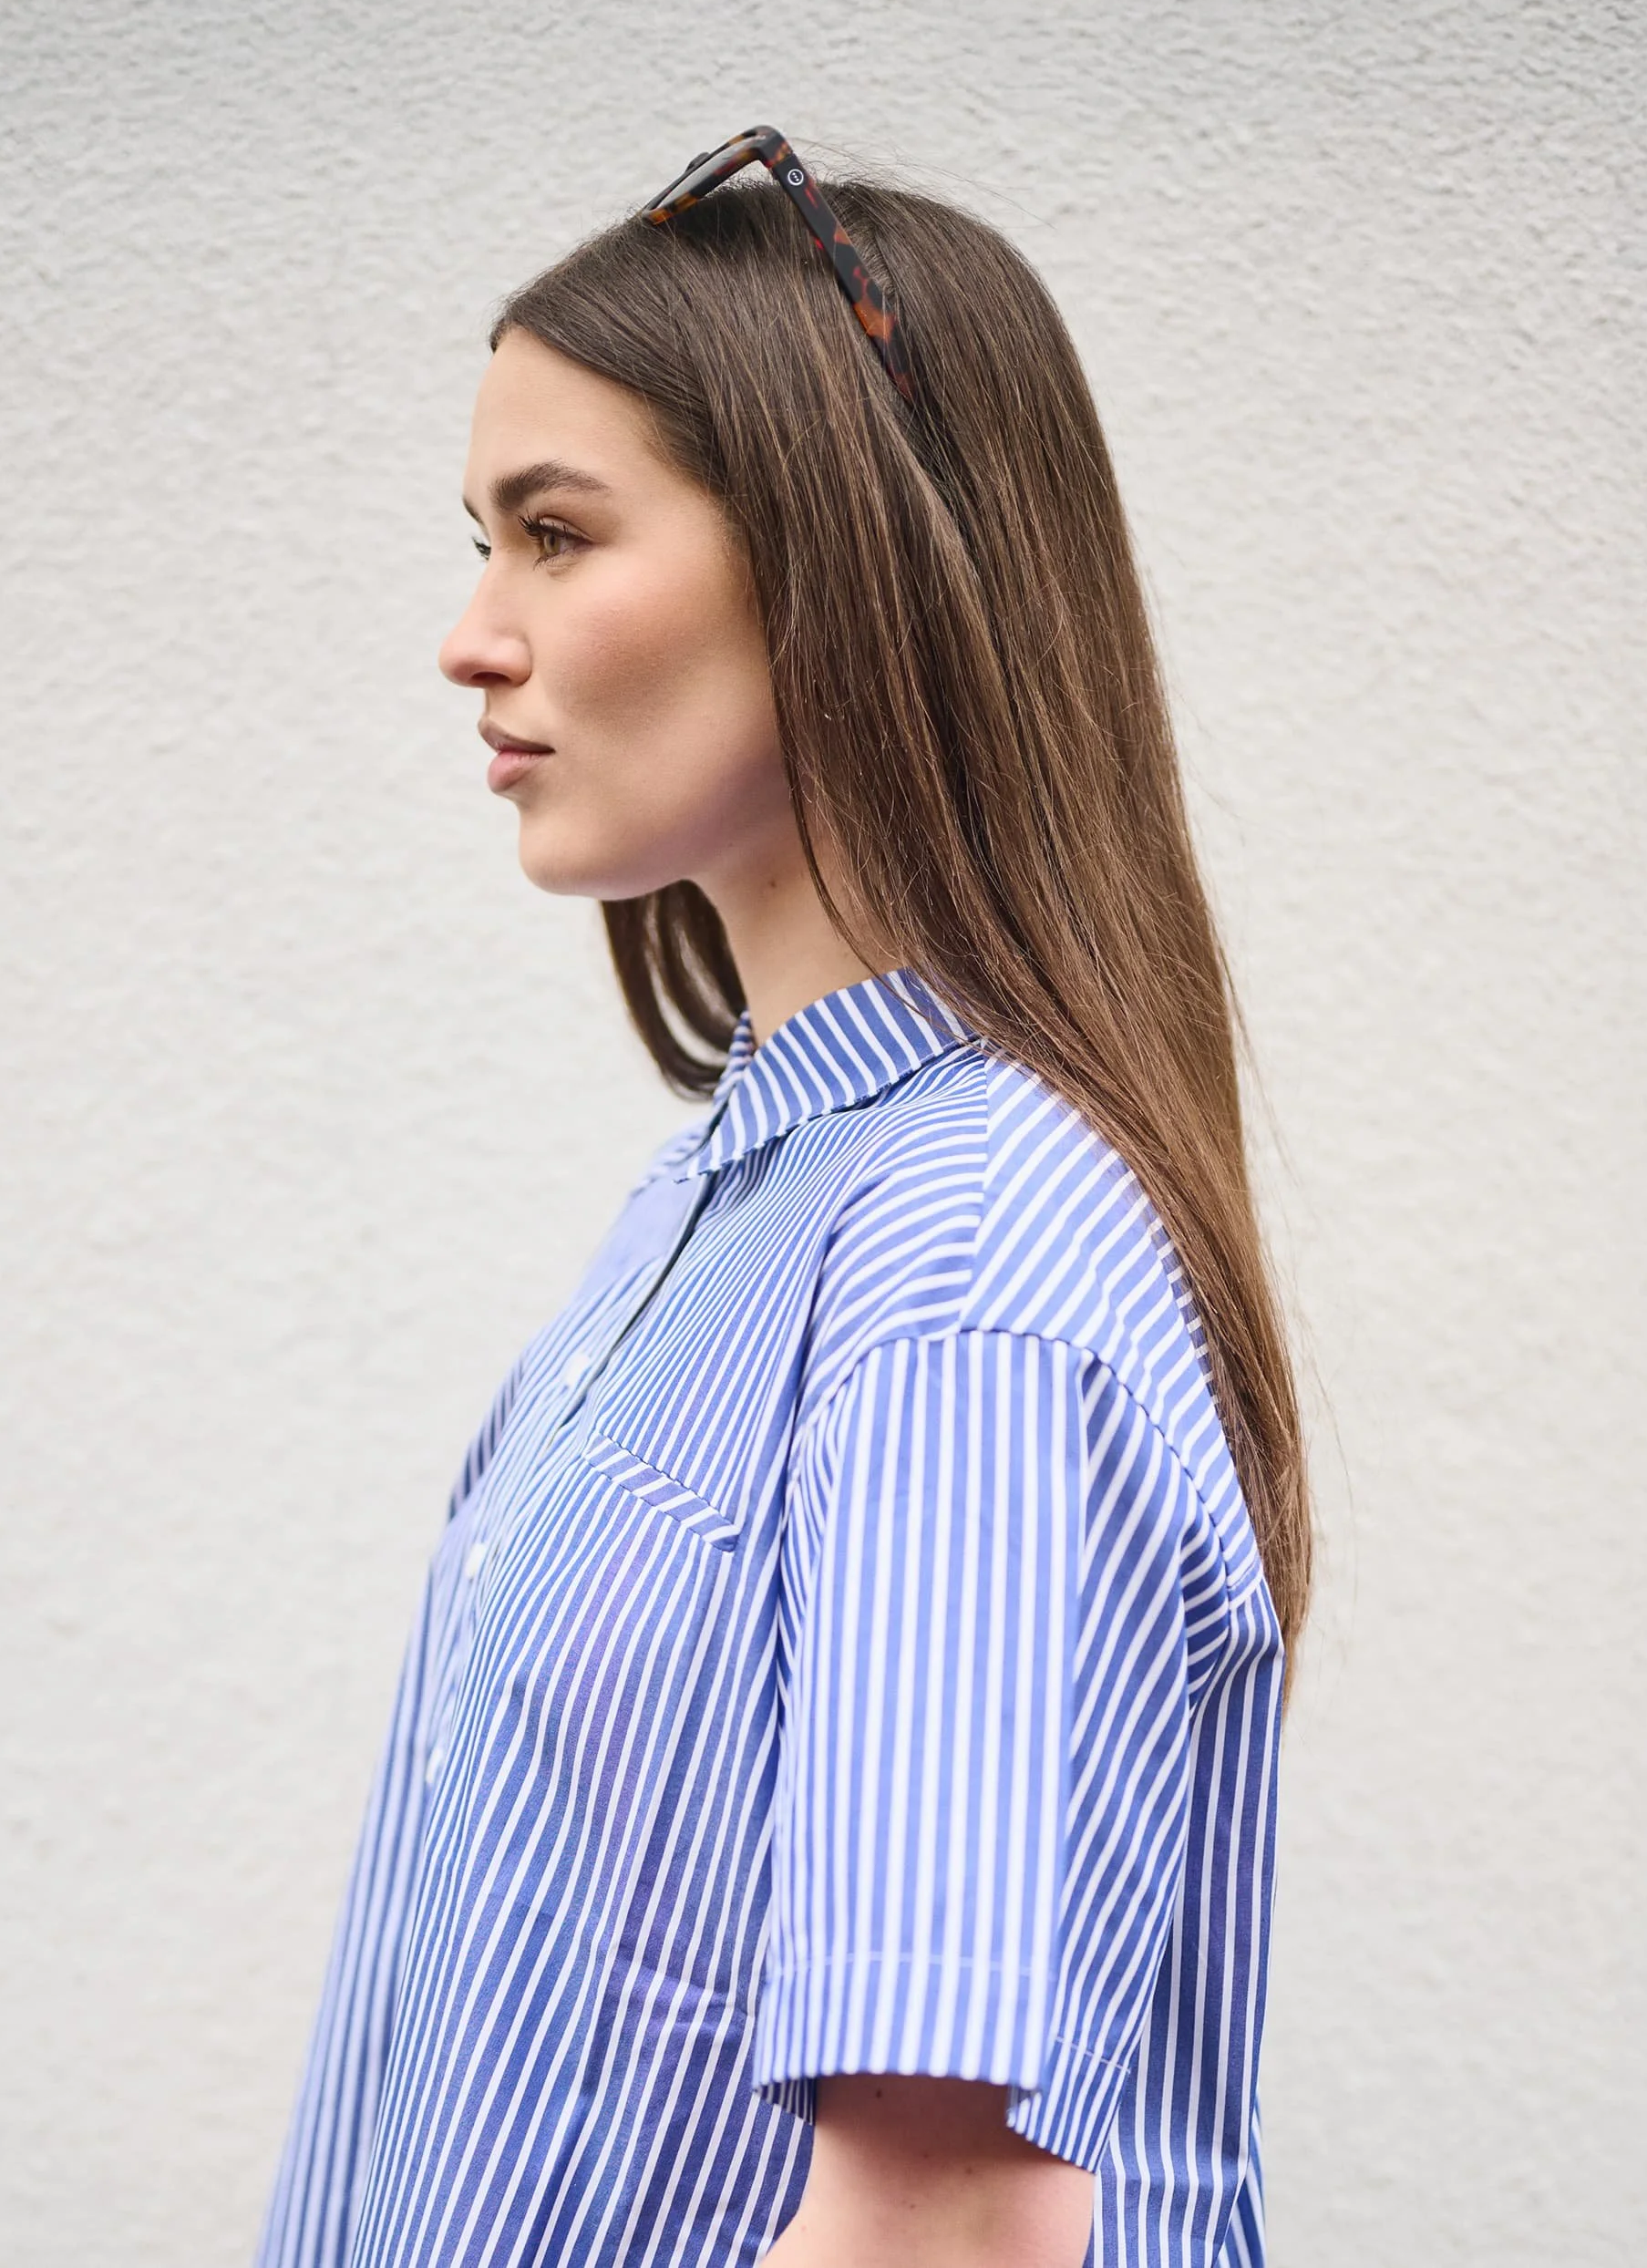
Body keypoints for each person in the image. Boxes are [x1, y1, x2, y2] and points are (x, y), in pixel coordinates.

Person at [257, 129, 1311, 2268]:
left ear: (847, 560)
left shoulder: (966, 1260)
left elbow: (947, 2218)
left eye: (557, 534)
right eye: (482, 542)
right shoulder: (746, 1196)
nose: (469, 637)